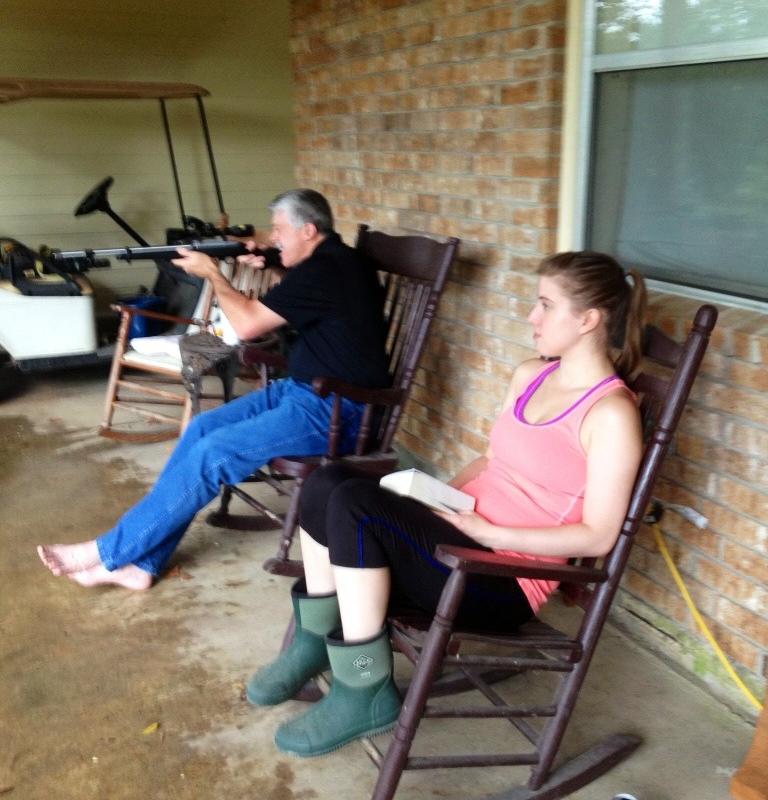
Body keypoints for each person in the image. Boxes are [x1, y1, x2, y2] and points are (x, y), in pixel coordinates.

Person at [246, 250, 648, 758]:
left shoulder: (610, 414)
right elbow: (490, 460)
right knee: (328, 480)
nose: (531, 316)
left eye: (546, 305)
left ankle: (364, 687)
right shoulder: (531, 375)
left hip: (500, 579)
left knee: (354, 503)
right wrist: (429, 498)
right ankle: (315, 639)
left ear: (588, 320)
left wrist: (491, 534)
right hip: (458, 540)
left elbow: (599, 536)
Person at [37, 189, 391, 591]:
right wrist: (273, 261)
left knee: (213, 452)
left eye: (278, 230)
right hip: (304, 390)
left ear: (308, 231)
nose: (273, 237)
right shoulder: (334, 262)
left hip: (338, 408)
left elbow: (247, 325)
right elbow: (312, 301)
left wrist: (214, 274)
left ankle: (107, 552)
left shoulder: (325, 271)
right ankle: (143, 565)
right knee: (201, 429)